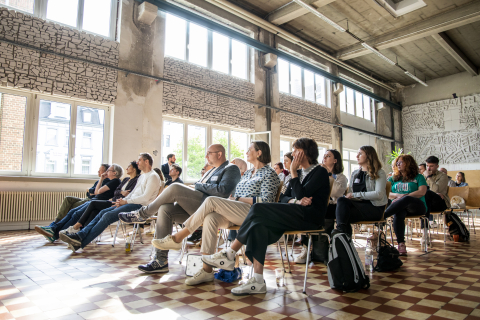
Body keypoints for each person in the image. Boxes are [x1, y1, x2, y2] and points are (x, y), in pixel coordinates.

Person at [196, 138, 329, 295]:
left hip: (310, 218)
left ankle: (230, 252)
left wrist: (293, 174)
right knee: (259, 224)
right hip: (294, 213)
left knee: (258, 207)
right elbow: (285, 198)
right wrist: (295, 200)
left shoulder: (319, 172)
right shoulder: (299, 173)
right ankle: (258, 281)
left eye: (295, 150)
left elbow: (302, 193)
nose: (292, 154)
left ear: (305, 153)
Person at [152, 141, 280, 286]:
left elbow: (267, 201)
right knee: (210, 218)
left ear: (259, 153)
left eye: (249, 150)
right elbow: (235, 194)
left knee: (212, 201)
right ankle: (206, 271)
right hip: (237, 210)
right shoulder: (249, 173)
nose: (246, 153)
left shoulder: (270, 173)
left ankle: (178, 237)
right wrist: (234, 199)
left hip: (254, 213)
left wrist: (237, 199)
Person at [118, 144, 241, 273]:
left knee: (175, 187)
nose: (206, 156)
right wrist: (198, 187)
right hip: (198, 208)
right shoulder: (211, 170)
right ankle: (160, 261)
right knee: (165, 209)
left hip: (214, 211)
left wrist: (198, 186)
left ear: (219, 154)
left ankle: (143, 214)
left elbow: (222, 192)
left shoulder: (231, 168)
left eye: (209, 153)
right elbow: (200, 187)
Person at [59, 153, 161, 251]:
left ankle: (80, 240)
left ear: (146, 161)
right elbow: (133, 192)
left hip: (140, 207)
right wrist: (123, 200)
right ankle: (79, 238)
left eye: (139, 160)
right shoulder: (143, 176)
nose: (137, 162)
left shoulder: (153, 176)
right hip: (130, 203)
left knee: (107, 216)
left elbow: (145, 198)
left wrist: (126, 201)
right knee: (102, 212)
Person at [34, 164, 120, 242]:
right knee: (72, 212)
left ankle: (54, 232)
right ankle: (53, 230)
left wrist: (101, 179)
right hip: (93, 200)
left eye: (109, 170)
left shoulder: (115, 181)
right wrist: (100, 180)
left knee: (75, 214)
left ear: (114, 173)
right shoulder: (109, 181)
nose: (107, 172)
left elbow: (96, 191)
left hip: (96, 202)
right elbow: (91, 192)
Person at [295, 149, 347, 264]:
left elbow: (335, 193)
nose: (324, 158)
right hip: (319, 205)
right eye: (324, 156)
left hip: (333, 207)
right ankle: (305, 247)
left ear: (335, 160)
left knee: (316, 210)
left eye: (328, 156)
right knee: (305, 209)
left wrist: (327, 173)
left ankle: (321, 249)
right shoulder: (316, 173)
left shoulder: (341, 177)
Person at [66, 162, 142, 234]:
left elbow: (128, 194)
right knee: (93, 211)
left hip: (117, 203)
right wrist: (122, 192)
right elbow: (116, 191)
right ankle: (82, 232)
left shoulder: (136, 181)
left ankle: (78, 226)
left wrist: (120, 193)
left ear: (134, 169)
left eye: (129, 167)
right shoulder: (125, 179)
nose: (126, 168)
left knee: (92, 204)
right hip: (112, 201)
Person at [331, 146, 388, 237]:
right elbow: (350, 194)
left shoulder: (379, 172)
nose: (357, 156)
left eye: (360, 154)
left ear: (369, 156)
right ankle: (342, 237)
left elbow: (379, 194)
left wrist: (355, 195)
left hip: (374, 208)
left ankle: (341, 236)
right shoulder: (355, 173)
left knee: (342, 213)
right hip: (357, 206)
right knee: (334, 208)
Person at [384, 155, 427, 255]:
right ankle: (401, 243)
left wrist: (404, 196)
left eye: (401, 162)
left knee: (406, 199)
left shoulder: (418, 177)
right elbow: (387, 193)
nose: (398, 164)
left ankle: (383, 216)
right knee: (399, 212)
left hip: (417, 206)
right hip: (400, 206)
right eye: (397, 163)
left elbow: (422, 191)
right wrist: (398, 196)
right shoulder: (393, 179)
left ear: (409, 163)